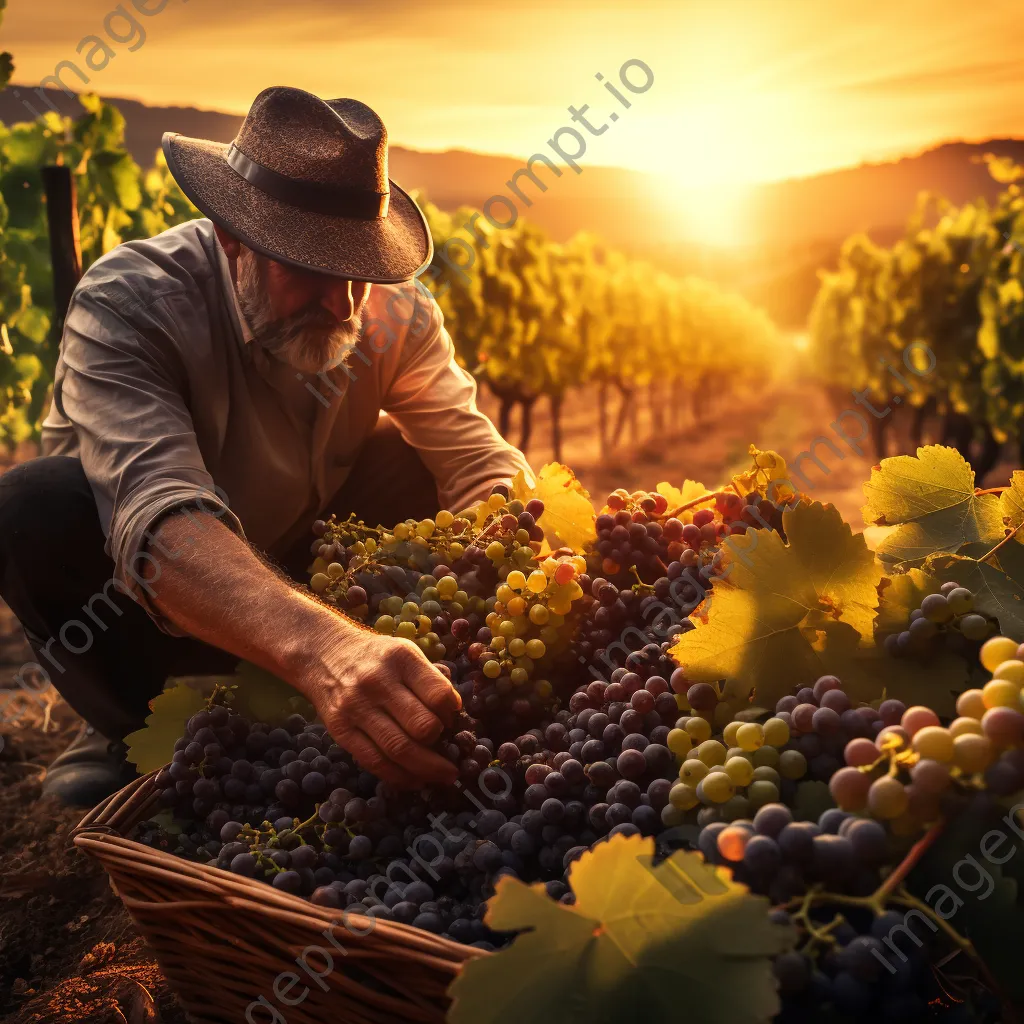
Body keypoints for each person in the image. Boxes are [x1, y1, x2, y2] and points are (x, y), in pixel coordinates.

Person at [0, 86, 532, 806]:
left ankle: (345, 692)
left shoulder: (395, 314)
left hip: (291, 578)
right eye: (309, 267)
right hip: (137, 598)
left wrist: (526, 573)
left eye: (357, 270)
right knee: (32, 507)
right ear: (231, 238)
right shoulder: (131, 303)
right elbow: (161, 522)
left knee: (413, 469)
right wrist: (328, 649)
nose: (341, 304)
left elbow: (478, 459)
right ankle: (122, 722)